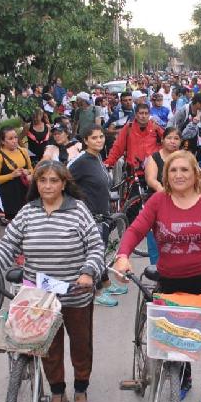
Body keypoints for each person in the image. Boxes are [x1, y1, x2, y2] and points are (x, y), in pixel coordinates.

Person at [0, 162, 104, 402]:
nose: (47, 186)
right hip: (40, 297)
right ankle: (58, 393)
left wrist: (89, 272)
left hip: (76, 293)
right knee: (48, 347)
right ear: (36, 184)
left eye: (53, 180)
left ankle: (80, 391)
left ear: (64, 183)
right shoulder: (27, 213)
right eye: (42, 180)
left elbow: (96, 246)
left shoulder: (78, 210)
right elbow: (7, 245)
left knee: (80, 344)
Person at [113, 151, 201, 402]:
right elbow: (136, 229)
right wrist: (123, 255)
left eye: (185, 170)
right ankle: (183, 377)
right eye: (173, 170)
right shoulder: (158, 201)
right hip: (172, 280)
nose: (179, 175)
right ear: (166, 175)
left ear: (195, 173)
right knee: (177, 337)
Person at [68, 125, 127, 308]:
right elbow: (64, 180)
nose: (99, 140)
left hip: (103, 213)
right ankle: (97, 291)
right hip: (90, 216)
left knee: (100, 250)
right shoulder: (82, 161)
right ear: (85, 141)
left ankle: (106, 283)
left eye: (101, 137)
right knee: (94, 252)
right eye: (94, 138)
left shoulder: (97, 157)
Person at [104, 103, 164, 173]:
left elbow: (167, 142)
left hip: (153, 170)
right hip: (133, 171)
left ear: (149, 115)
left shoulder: (155, 128)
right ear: (136, 115)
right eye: (141, 113)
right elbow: (117, 148)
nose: (144, 116)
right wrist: (108, 163)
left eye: (146, 113)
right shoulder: (128, 128)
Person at [0, 126, 33, 221]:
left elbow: (31, 169)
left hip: (25, 194)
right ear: (3, 141)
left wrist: (27, 172)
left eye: (16, 137)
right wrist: (11, 175)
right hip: (9, 198)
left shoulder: (23, 151)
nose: (14, 141)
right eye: (10, 138)